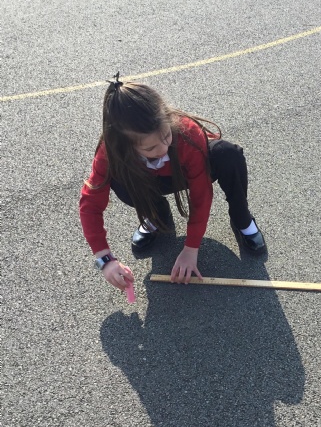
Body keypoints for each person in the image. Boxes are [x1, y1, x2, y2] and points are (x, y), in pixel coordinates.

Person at [80, 73, 266, 290]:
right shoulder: (110, 152)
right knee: (118, 177)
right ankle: (157, 216)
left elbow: (201, 195)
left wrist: (191, 248)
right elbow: (90, 205)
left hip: (186, 174)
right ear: (124, 145)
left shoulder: (187, 132)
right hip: (149, 180)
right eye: (150, 148)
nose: (163, 149)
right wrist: (105, 260)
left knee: (228, 154)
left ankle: (242, 219)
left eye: (166, 136)